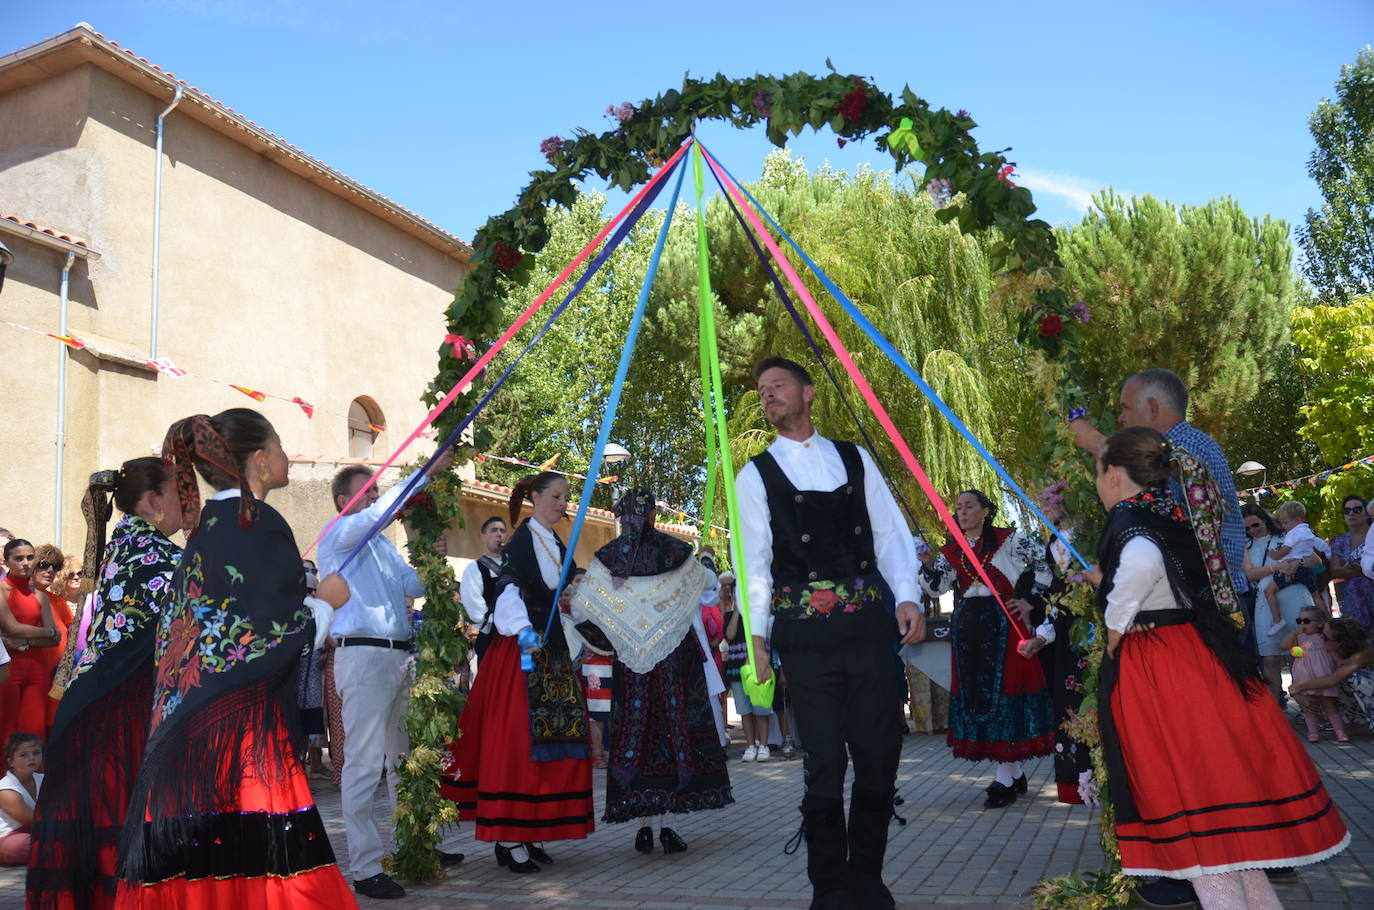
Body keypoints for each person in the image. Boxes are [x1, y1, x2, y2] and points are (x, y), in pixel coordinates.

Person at [1093, 426, 1348, 908]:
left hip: (1166, 671)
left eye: (1099, 468)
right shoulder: (1165, 513)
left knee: (1203, 841)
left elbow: (1144, 563)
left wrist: (1114, 624)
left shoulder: (1134, 521)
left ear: (1113, 473)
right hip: (1196, 658)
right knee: (1237, 857)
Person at [114, 409, 355, 907]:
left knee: (203, 871)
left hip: (188, 735)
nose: (288, 458)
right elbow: (270, 632)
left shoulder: (204, 531)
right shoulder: (256, 522)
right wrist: (325, 603)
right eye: (282, 448)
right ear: (262, 462)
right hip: (242, 739)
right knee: (265, 870)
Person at [736, 357, 924, 910]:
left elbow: (891, 533)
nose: (768, 397)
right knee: (824, 764)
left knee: (879, 754)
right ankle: (830, 888)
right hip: (805, 640)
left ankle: (867, 878)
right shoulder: (755, 475)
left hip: (868, 631)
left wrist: (908, 594)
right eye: (762, 391)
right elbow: (754, 564)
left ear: (808, 393)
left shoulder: (855, 458)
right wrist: (758, 638)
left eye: (778, 387)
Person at [27, 458, 183, 910]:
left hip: (94, 705)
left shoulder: (122, 545)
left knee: (94, 824)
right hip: (124, 712)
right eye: (179, 492)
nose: (187, 503)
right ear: (154, 501)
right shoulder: (161, 557)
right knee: (121, 825)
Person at [317, 452, 460, 899]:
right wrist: (423, 474)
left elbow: (412, 586)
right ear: (344, 500)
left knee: (404, 757)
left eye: (379, 491)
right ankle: (363, 867)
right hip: (361, 656)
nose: (377, 498)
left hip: (398, 657)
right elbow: (377, 516)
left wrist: (431, 561)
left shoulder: (380, 544)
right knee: (363, 764)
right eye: (368, 491)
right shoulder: (339, 535)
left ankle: (413, 844)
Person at [443, 472, 594, 873]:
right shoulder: (523, 542)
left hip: (552, 652)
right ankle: (509, 837)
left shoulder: (555, 541)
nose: (564, 503)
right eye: (557, 496)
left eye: (566, 497)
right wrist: (524, 630)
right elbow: (509, 592)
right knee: (515, 742)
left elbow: (563, 593)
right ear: (536, 498)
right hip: (522, 652)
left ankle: (531, 828)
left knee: (551, 740)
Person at [570, 487, 732, 855]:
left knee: (635, 738)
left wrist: (620, 626)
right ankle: (667, 826)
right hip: (673, 663)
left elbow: (582, 608)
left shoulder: (609, 559)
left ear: (621, 516)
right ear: (654, 515)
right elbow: (707, 585)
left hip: (632, 668)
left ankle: (644, 826)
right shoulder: (674, 551)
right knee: (674, 736)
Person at [918, 489, 1054, 807]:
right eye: (958, 507)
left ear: (985, 511)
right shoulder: (952, 550)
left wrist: (1029, 599)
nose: (962, 512)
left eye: (969, 506)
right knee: (981, 697)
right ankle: (1013, 770)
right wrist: (927, 565)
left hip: (1004, 624)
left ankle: (1004, 778)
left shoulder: (1009, 541)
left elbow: (1046, 565)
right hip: (969, 628)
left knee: (1003, 694)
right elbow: (936, 589)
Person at [1070, 368, 1249, 598]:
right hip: (1209, 600)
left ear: (1153, 408)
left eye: (1126, 407)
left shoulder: (1186, 448)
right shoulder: (1188, 445)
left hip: (1209, 605)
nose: (1121, 418)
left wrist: (1102, 447)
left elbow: (1161, 498)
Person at [1014, 485, 1093, 805]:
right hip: (1066, 642)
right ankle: (1080, 784)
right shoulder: (1052, 544)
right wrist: (1040, 638)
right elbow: (1056, 604)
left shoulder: (1086, 538)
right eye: (1042, 501)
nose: (1044, 506)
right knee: (1070, 707)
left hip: (1094, 635)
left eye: (1051, 499)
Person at [1242, 504, 1314, 702]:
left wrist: (1295, 563)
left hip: (1295, 597)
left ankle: (1307, 705)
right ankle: (1275, 709)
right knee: (1270, 656)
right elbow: (1250, 573)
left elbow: (1315, 560)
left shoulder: (1286, 537)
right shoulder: (1246, 546)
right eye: (1247, 528)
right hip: (1267, 604)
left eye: (1255, 525)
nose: (1252, 531)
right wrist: (1277, 566)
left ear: (1264, 520)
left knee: (1298, 652)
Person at [0, 540, 61, 745]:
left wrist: (24, 639)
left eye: (30, 557)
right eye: (18, 558)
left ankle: (31, 777)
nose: (26, 563)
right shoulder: (2, 591)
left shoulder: (40, 596)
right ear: (7, 561)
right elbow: (12, 627)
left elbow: (55, 640)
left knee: (34, 732)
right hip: (7, 670)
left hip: (37, 670)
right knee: (5, 730)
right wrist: (47, 632)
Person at [1291, 616, 1374, 730]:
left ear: (1340, 642)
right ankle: (1349, 720)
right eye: (1321, 633)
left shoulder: (1362, 653)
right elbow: (1303, 672)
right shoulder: (1329, 650)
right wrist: (1295, 691)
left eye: (1325, 637)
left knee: (1357, 679)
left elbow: (1332, 680)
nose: (1320, 637)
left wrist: (1297, 687)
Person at [1260, 501, 1329, 637]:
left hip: (1294, 570)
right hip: (1304, 572)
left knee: (1269, 591)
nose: (1283, 526)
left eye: (1285, 523)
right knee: (1317, 597)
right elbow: (1319, 546)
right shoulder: (1307, 531)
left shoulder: (1291, 534)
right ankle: (1327, 621)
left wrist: (1278, 557)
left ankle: (1277, 620)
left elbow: (1313, 559)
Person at [721, 581, 772, 761]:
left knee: (760, 707)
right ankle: (750, 746)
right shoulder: (729, 615)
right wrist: (737, 610)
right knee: (744, 710)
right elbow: (730, 635)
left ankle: (764, 746)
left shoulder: (757, 615)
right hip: (736, 670)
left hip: (756, 667)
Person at [1281, 606, 1347, 742]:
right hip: (1305, 676)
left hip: (1323, 674)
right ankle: (1313, 732)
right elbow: (1283, 645)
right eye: (1299, 621)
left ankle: (1340, 731)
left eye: (1306, 621)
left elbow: (1332, 650)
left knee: (1330, 705)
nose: (1302, 624)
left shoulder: (1324, 636)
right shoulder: (1299, 636)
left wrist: (1339, 661)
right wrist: (1294, 634)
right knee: (1310, 707)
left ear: (1320, 623)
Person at [460, 515, 507, 662]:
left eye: (502, 531)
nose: (499, 534)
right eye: (494, 530)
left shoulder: (513, 567)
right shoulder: (474, 569)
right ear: (483, 537)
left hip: (517, 638)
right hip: (492, 640)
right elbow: (474, 608)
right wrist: (501, 625)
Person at [1329, 495, 1373, 630]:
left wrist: (1353, 570)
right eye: (1347, 511)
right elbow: (1335, 571)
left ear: (1367, 514)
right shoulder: (1339, 541)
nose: (1351, 513)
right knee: (1361, 642)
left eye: (1357, 509)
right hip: (1354, 600)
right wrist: (1364, 569)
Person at [0, 732, 42, 865]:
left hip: (40, 831)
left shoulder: (45, 779)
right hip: (9, 837)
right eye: (24, 755)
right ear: (10, 761)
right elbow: (30, 819)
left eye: (36, 753)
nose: (32, 758)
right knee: (24, 846)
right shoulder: (5, 788)